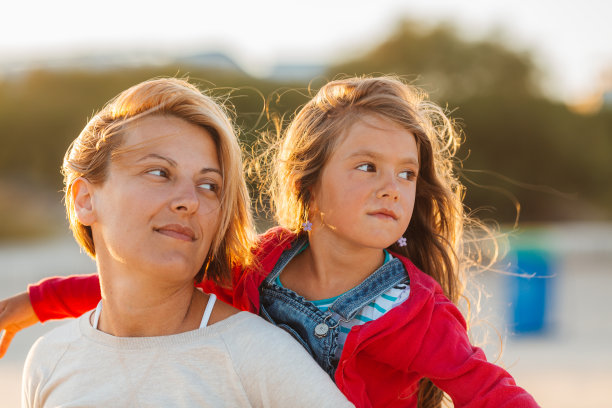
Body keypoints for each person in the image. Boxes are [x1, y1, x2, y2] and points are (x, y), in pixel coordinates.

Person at [0, 77, 537, 407]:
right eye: (367, 166)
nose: (390, 188)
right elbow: (140, 285)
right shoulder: (264, 264)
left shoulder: (415, 311)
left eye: (407, 174)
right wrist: (28, 307)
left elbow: (488, 390)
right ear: (308, 186)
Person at [14, 78, 353, 407]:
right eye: (159, 172)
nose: (189, 201)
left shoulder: (258, 355)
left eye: (209, 186)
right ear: (85, 200)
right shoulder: (50, 360)